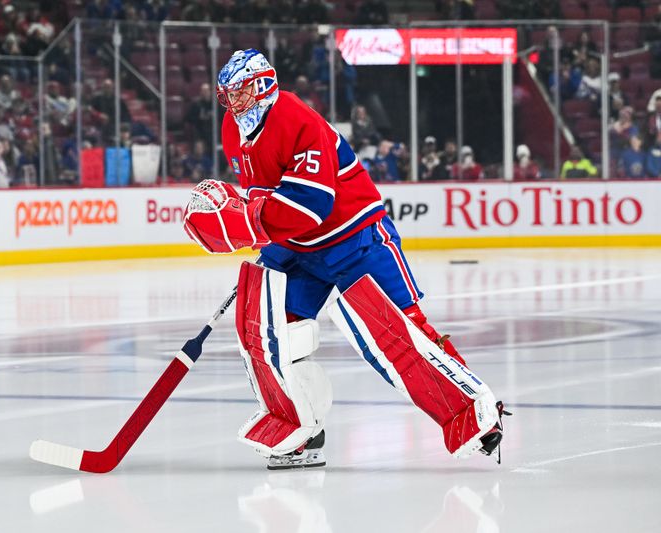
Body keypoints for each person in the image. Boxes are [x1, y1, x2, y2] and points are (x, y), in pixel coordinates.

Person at [182, 49, 508, 470]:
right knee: (267, 327)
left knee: (399, 330)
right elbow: (266, 196)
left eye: (240, 93)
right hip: (298, 247)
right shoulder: (233, 127)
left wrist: (244, 224)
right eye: (227, 95)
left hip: (354, 238)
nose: (232, 103)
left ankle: (473, 412)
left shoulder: (298, 121)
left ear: (263, 87)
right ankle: (300, 428)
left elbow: (311, 205)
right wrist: (254, 227)